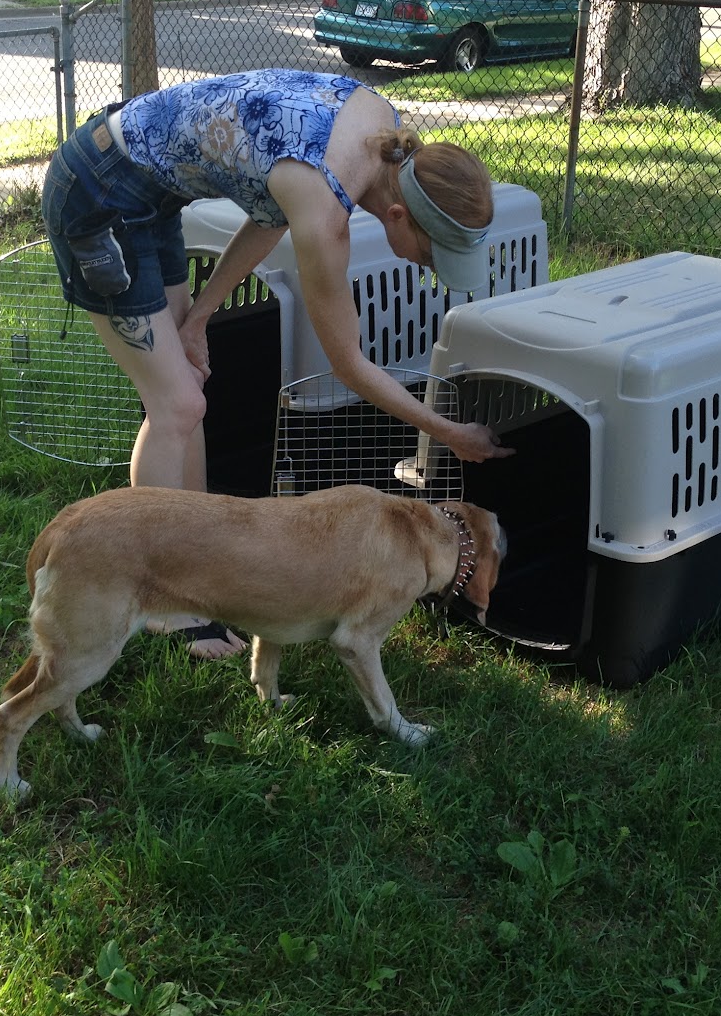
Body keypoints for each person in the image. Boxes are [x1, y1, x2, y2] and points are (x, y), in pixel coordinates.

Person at [40, 68, 514, 658]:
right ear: (398, 217)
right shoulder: (327, 214)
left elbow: (270, 214)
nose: (428, 268)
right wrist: (447, 432)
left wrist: (200, 317)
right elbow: (349, 365)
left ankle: (198, 569)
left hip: (149, 192)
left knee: (186, 391)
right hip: (99, 194)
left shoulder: (378, 132)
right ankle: (166, 602)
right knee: (176, 404)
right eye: (430, 254)